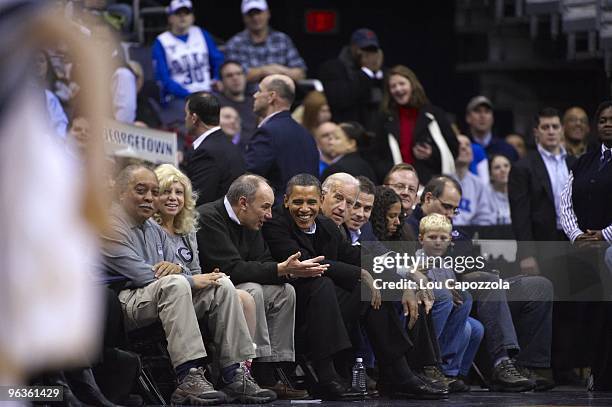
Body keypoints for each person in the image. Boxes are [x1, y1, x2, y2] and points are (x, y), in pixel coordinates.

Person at [101, 165, 276, 405]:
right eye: (141, 190)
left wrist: (179, 271)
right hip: (121, 303)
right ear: (121, 193)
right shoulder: (109, 224)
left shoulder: (152, 227)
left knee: (221, 284)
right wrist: (189, 278)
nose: (149, 197)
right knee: (176, 284)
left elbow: (173, 268)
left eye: (153, 191)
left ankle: (235, 374)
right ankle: (188, 377)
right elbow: (141, 274)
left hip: (157, 295)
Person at [263, 174, 447, 399]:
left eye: (311, 202)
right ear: (285, 201)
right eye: (298, 202)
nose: (305, 209)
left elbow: (356, 255)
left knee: (371, 290)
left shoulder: (326, 225)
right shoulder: (275, 223)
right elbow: (306, 263)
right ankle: (327, 377)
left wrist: (404, 279)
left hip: (327, 310)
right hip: (292, 309)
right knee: (322, 283)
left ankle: (399, 374)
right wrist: (360, 273)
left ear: (319, 201)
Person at [407, 176, 554, 392]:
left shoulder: (457, 232)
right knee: (488, 282)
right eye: (446, 206)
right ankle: (500, 363)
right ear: (428, 198)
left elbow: (472, 259)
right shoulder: (410, 227)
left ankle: (527, 365)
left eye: (455, 210)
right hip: (452, 291)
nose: (450, 214)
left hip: (476, 285)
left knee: (540, 286)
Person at [197, 174, 323, 399]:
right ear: (243, 203)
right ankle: (244, 370)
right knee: (251, 290)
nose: (269, 215)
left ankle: (269, 370)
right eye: (265, 207)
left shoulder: (251, 222)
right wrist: (281, 269)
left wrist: (288, 271)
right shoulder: (208, 217)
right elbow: (230, 269)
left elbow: (263, 261)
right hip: (212, 291)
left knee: (284, 292)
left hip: (236, 286)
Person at [154, 163, 258, 342]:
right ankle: (227, 364)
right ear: (155, 196)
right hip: (168, 297)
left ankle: (243, 365)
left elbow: (195, 272)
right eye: (166, 192)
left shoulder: (188, 229)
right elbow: (158, 272)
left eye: (178, 193)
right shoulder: (149, 228)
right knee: (234, 296)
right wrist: (183, 272)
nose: (173, 198)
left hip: (192, 291)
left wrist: (205, 276)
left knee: (244, 297)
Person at [560, 101, 612, 390]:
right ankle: (592, 373)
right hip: (584, 252)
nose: (607, 124)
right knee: (587, 314)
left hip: (609, 249)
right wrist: (577, 235)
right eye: (603, 119)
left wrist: (605, 234)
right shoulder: (582, 161)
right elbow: (565, 202)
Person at [417, 213, 483, 389]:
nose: (437, 242)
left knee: (475, 327)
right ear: (421, 239)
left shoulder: (446, 265)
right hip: (425, 312)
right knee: (467, 326)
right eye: (432, 237)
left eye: (442, 238)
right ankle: (431, 364)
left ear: (449, 241)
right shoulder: (418, 260)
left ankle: (452, 372)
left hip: (447, 313)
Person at [371, 65, 458, 185]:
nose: (398, 89)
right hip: (396, 187)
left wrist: (431, 153)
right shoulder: (383, 118)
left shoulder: (434, 114)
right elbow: (375, 155)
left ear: (412, 85)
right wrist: (390, 175)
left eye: (402, 84)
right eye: (393, 86)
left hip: (430, 185)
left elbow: (453, 148)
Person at [245, 74, 318, 205]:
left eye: (260, 91)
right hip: (303, 213)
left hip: (274, 216)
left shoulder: (267, 132)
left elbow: (249, 179)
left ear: (271, 97)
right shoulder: (306, 134)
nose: (255, 95)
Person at [152, 0, 224, 124]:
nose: (182, 16)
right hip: (179, 98)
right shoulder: (161, 42)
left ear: (192, 17)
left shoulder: (201, 34)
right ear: (170, 18)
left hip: (208, 92)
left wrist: (217, 78)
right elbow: (163, 78)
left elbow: (218, 60)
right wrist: (188, 95)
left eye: (186, 13)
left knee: (226, 115)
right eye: (178, 13)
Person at [225, 0, 306, 93]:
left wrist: (280, 71)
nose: (255, 18)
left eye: (259, 13)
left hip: (281, 99)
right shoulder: (235, 43)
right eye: (251, 14)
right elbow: (233, 77)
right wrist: (264, 71)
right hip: (248, 100)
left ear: (267, 14)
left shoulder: (282, 39)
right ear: (244, 18)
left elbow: (300, 72)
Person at [182, 93, 245, 206]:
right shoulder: (227, 144)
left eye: (186, 114)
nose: (185, 118)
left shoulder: (206, 152)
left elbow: (198, 200)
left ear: (194, 118)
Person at [318, 28, 384, 131]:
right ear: (353, 47)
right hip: (344, 130)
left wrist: (376, 74)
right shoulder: (333, 68)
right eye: (363, 48)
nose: (368, 54)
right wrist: (366, 71)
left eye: (372, 50)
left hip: (374, 130)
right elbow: (340, 100)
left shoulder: (380, 72)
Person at [453, 134, 495, 226]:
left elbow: (485, 217)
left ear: (472, 155)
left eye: (468, 145)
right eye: (459, 144)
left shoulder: (479, 185)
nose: (463, 147)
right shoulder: (440, 181)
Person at [214, 60, 257, 149]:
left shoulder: (256, 103)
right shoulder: (215, 104)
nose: (235, 78)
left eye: (239, 74)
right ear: (221, 82)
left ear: (245, 77)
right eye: (229, 75)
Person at [465, 96, 518, 162]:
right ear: (468, 117)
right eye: (477, 111)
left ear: (492, 118)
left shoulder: (507, 149)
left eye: (487, 112)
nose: (482, 116)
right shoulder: (461, 148)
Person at [486, 154, 512, 225]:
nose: (503, 170)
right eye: (497, 167)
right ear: (490, 175)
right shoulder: (484, 194)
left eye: (506, 166)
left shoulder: (520, 192)